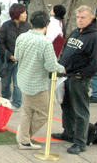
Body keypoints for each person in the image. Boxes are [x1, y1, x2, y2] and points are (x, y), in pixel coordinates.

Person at [15, 11, 65, 150]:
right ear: (46, 25)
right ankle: (24, 137)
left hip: (23, 79)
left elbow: (17, 55)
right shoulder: (45, 43)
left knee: (27, 111)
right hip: (37, 84)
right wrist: (62, 68)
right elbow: (50, 65)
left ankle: (24, 138)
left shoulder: (22, 37)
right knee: (44, 113)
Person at [52, 6, 97, 154]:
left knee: (80, 111)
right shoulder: (75, 32)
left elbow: (95, 61)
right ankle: (68, 132)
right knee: (66, 107)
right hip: (66, 75)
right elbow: (65, 49)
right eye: (78, 17)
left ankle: (80, 141)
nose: (79, 20)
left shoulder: (94, 36)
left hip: (80, 78)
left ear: (91, 18)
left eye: (83, 18)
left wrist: (83, 74)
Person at [0, 3, 30, 110]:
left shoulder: (27, 27)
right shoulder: (6, 25)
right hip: (7, 60)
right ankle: (5, 99)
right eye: (23, 12)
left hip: (21, 60)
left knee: (18, 83)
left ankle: (16, 103)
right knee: (5, 82)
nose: (25, 15)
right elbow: (1, 42)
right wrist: (9, 55)